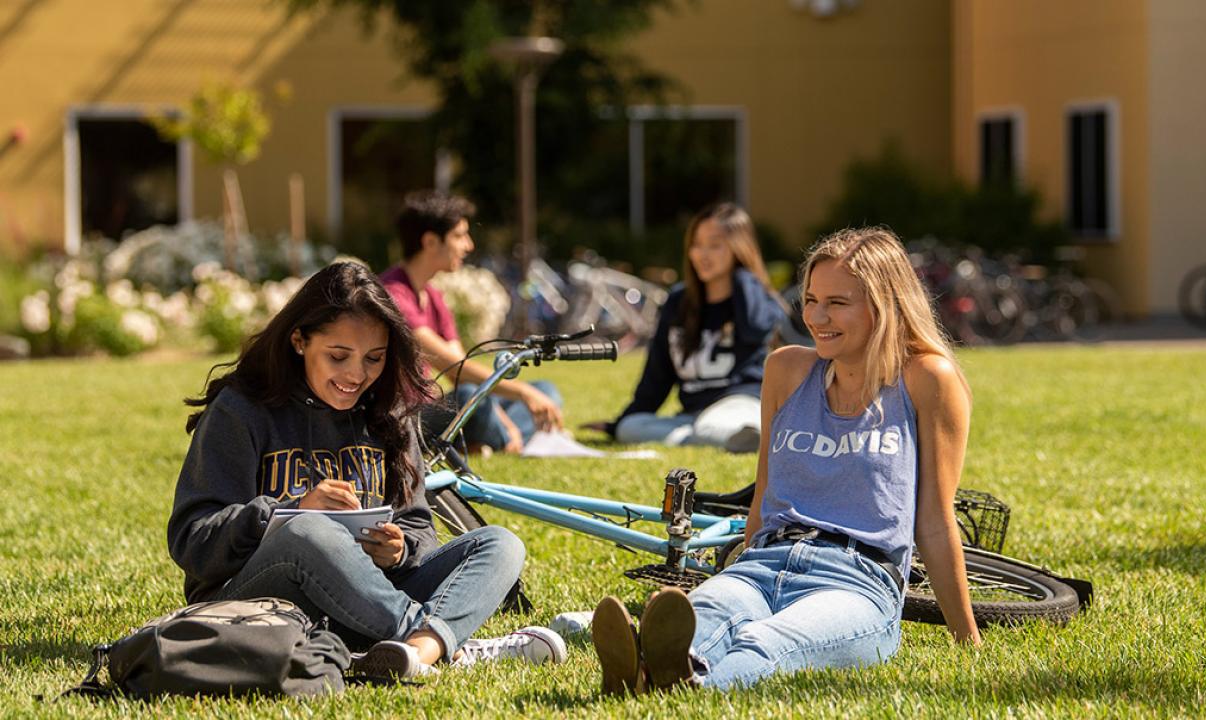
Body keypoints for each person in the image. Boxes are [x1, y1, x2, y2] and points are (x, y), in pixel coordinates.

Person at [589, 227, 981, 692]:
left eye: (837, 303)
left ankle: (674, 684)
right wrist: (735, 569)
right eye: (812, 300)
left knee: (765, 641)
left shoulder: (926, 379)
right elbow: (763, 497)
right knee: (708, 619)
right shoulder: (787, 371)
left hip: (856, 580)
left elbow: (934, 521)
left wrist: (967, 639)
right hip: (763, 564)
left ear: (886, 304)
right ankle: (659, 667)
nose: (817, 316)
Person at [168, 262, 565, 680]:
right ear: (299, 341)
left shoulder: (389, 411)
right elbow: (192, 540)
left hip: (367, 598)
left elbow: (417, 527)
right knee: (309, 531)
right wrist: (291, 510)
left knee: (499, 544)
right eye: (338, 356)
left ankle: (414, 652)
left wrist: (399, 551)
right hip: (253, 603)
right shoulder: (241, 411)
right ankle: (445, 646)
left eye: (374, 359)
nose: (356, 375)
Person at [380, 190, 564, 454]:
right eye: (459, 236)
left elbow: (459, 367)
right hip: (408, 418)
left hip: (439, 405)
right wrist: (521, 393)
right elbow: (453, 366)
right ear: (430, 241)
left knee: (545, 391)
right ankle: (500, 438)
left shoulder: (431, 295)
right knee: (469, 397)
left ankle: (492, 438)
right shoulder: (393, 295)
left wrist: (511, 407)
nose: (469, 245)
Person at [597, 203, 786, 453]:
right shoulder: (677, 302)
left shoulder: (756, 299)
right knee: (630, 428)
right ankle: (724, 439)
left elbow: (756, 329)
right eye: (696, 244)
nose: (702, 254)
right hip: (691, 416)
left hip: (739, 404)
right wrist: (617, 425)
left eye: (715, 245)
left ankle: (743, 435)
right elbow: (657, 376)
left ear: (739, 249)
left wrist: (743, 277)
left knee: (710, 426)